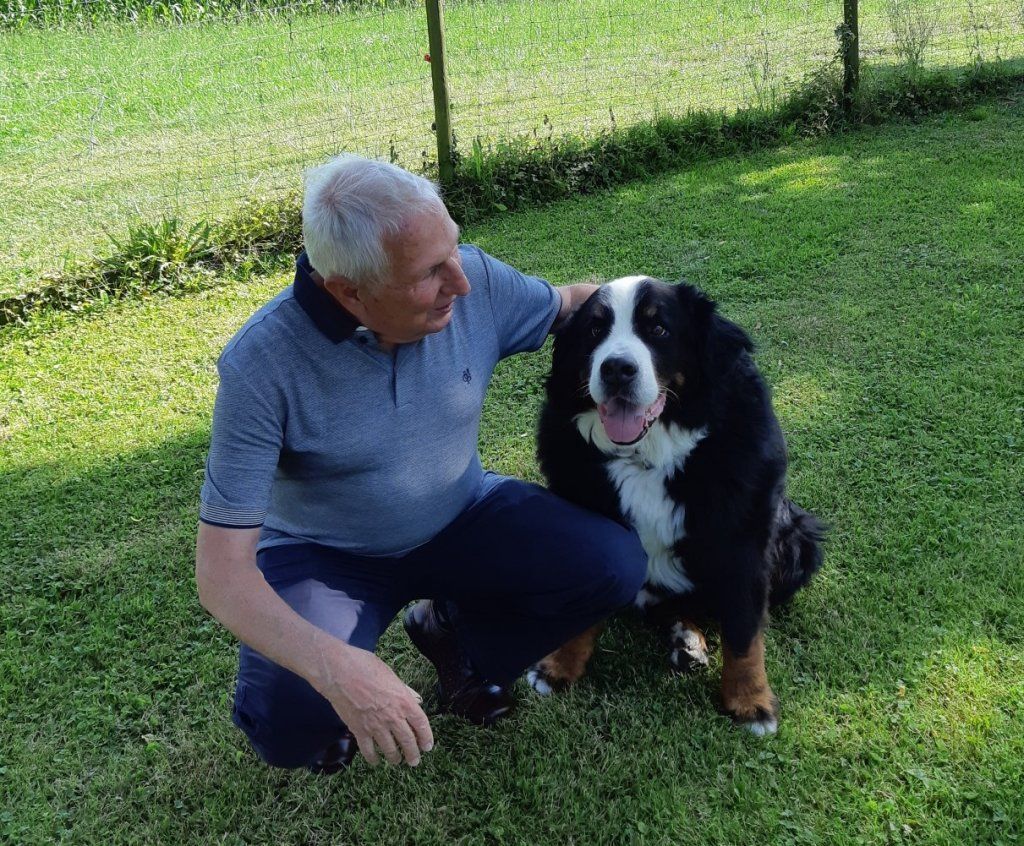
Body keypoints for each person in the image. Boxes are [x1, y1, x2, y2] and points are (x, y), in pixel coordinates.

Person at [194, 154, 647, 774]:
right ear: (349, 291)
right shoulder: (262, 365)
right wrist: (337, 669)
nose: (461, 282)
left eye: (454, 251)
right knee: (289, 723)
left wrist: (655, 324)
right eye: (430, 272)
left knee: (611, 564)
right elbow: (222, 575)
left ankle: (454, 641)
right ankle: (324, 710)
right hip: (328, 555)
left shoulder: (473, 284)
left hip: (464, 513)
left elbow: (567, 303)